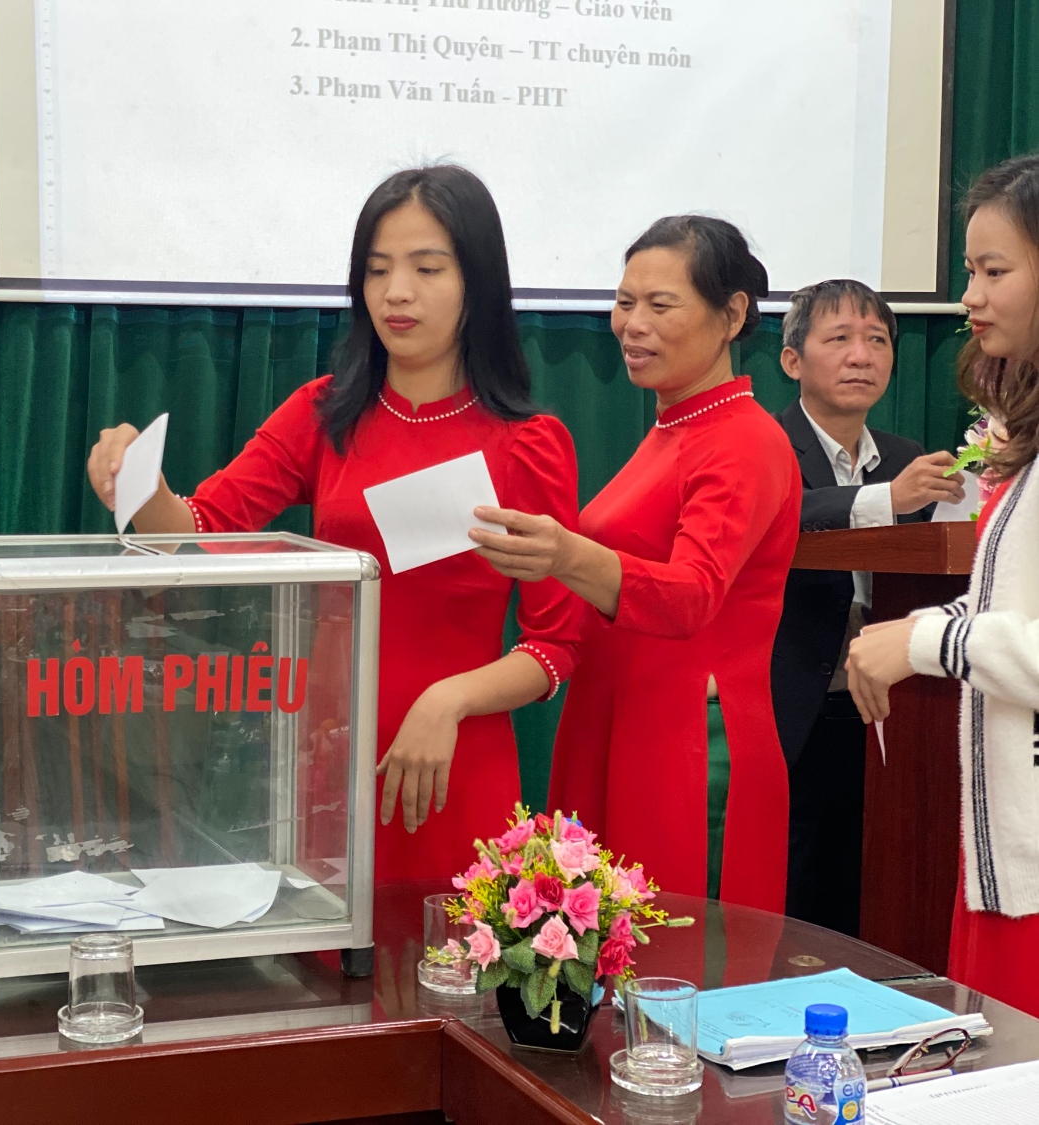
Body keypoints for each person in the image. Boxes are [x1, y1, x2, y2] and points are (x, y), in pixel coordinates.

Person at [86, 165, 584, 883]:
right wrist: (138, 477)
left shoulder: (526, 443)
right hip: (325, 759)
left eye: (427, 268)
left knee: (444, 946)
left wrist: (449, 699)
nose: (396, 292)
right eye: (377, 270)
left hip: (450, 761)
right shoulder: (323, 414)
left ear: (477, 283)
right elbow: (195, 528)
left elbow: (555, 645)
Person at [470, 216, 800, 911]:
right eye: (625, 303)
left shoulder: (743, 440)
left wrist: (567, 553)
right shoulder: (673, 429)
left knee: (681, 958)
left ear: (732, 315)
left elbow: (691, 596)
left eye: (660, 304)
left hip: (686, 744)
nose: (632, 324)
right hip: (617, 725)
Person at [847, 153, 1039, 1017]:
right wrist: (916, 632)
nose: (970, 296)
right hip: (1005, 847)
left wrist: (923, 639)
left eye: (995, 271)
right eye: (969, 271)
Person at [770, 280, 965, 936]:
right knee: (792, 896)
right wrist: (885, 500)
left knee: (876, 887)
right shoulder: (765, 445)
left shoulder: (907, 458)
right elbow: (780, 516)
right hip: (794, 706)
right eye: (839, 339)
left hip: (892, 714)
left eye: (877, 340)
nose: (862, 356)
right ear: (792, 360)